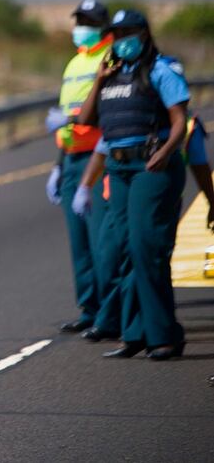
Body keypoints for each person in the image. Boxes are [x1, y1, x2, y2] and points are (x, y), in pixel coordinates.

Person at [77, 9, 189, 360]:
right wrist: (98, 79)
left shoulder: (160, 70)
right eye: (117, 34)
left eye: (128, 33)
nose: (121, 40)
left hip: (151, 168)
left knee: (146, 248)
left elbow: (179, 120)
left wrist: (167, 151)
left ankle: (164, 336)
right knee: (123, 249)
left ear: (143, 33)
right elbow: (84, 121)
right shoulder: (111, 75)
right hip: (119, 168)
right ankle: (134, 334)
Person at [72, 115, 214, 342]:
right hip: (116, 200)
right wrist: (85, 186)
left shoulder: (187, 126)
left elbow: (199, 164)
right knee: (109, 259)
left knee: (147, 259)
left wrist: (211, 200)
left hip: (157, 201)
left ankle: (149, 330)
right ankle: (115, 322)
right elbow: (101, 150)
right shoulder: (126, 117)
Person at [44, 0, 112, 334]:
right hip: (71, 157)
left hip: (97, 158)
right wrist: (59, 164)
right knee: (79, 240)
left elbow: (105, 108)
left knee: (101, 238)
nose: (80, 28)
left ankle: (108, 313)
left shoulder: (109, 58)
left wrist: (68, 119)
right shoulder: (74, 63)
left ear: (102, 25)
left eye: (87, 21)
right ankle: (90, 308)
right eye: (78, 20)